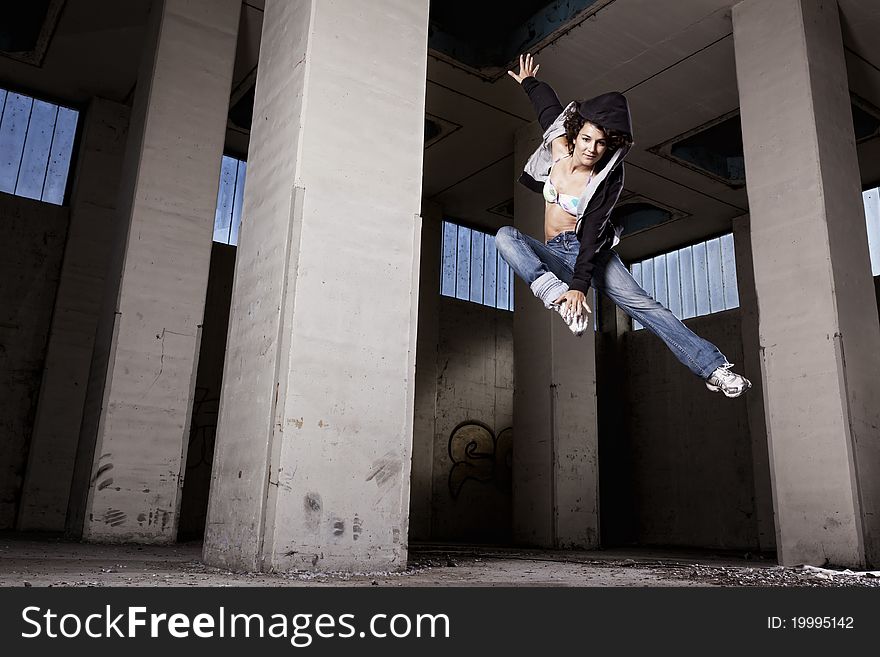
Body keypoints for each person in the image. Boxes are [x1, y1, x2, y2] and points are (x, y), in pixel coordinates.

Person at [496, 54, 751, 398]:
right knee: (505, 237)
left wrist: (579, 287)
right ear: (576, 133)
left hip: (590, 250)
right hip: (554, 253)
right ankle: (555, 298)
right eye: (587, 139)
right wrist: (530, 82)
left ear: (610, 145)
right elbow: (548, 108)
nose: (592, 149)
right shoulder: (558, 148)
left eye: (601, 143)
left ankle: (713, 368)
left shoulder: (605, 180)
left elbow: (590, 235)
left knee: (645, 306)